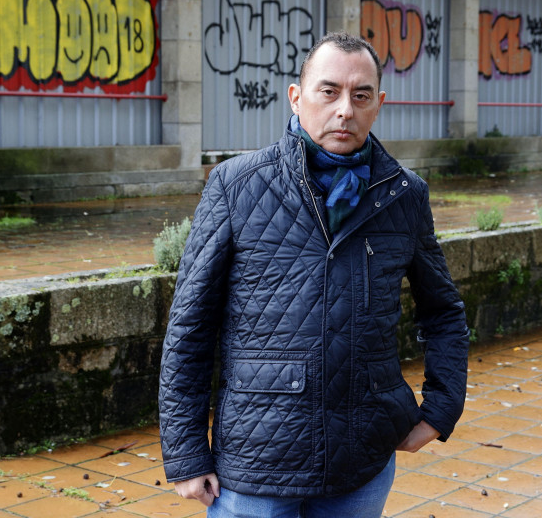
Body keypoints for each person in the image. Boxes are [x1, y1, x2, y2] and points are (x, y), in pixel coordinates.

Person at [158, 31, 469, 517]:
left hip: (362, 460)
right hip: (256, 465)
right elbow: (190, 326)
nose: (345, 108)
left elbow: (444, 312)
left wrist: (442, 407)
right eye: (329, 91)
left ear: (378, 104)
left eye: (360, 95)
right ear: (297, 97)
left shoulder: (404, 196)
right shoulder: (238, 186)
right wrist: (184, 453)